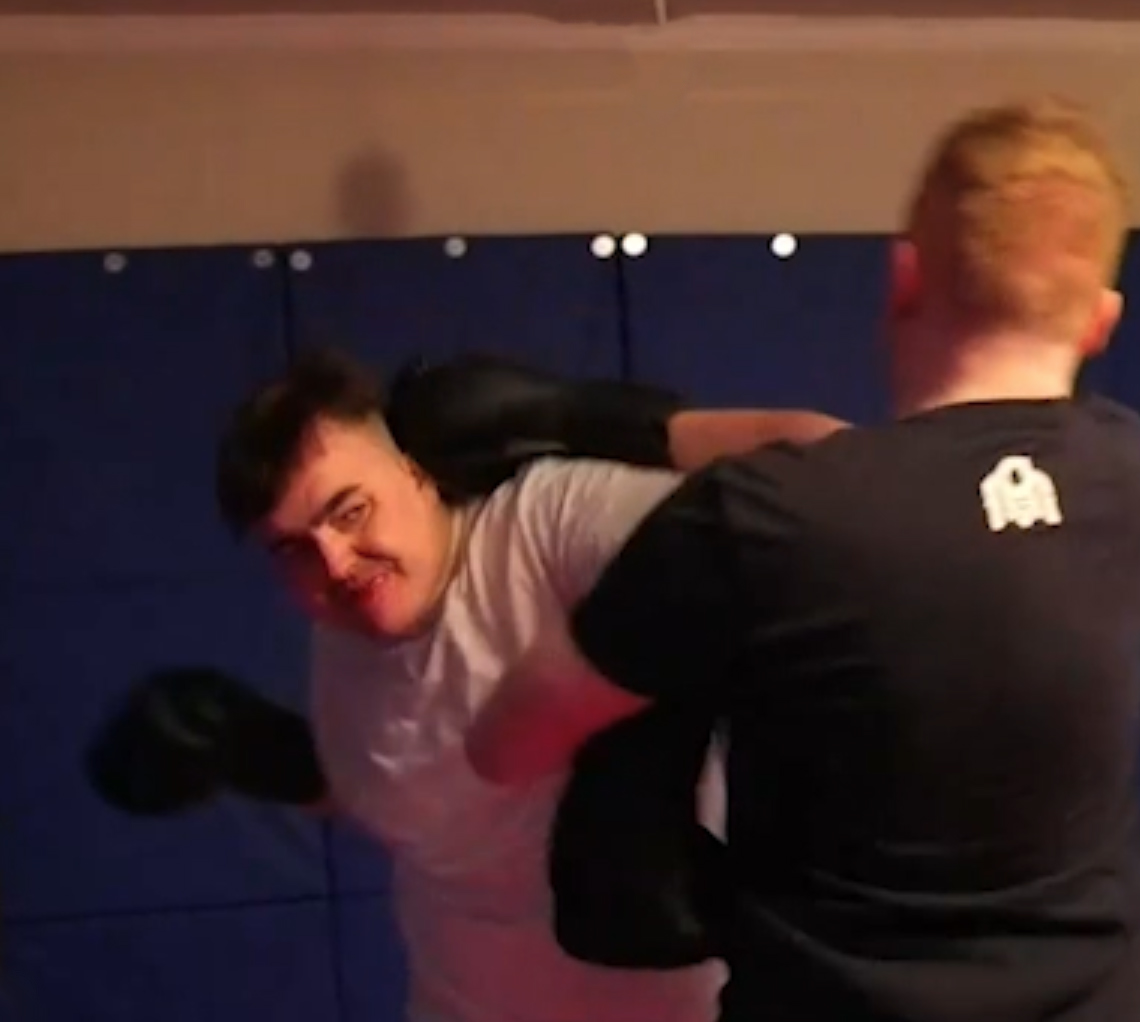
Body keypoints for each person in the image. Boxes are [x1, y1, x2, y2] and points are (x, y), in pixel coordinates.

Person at [465, 97, 1140, 1022]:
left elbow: (504, 744)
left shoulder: (761, 518)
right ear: (1100, 322)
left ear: (903, 276)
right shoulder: (1134, 473)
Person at [87, 347, 844, 1022]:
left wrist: (587, 417)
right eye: (295, 550)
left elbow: (836, 482)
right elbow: (419, 802)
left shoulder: (545, 525)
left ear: (416, 476)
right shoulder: (341, 639)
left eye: (350, 511)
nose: (337, 564)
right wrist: (260, 756)